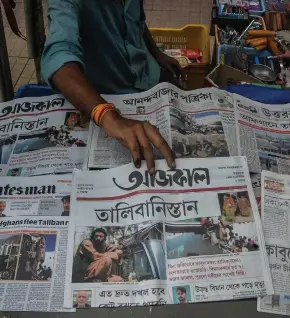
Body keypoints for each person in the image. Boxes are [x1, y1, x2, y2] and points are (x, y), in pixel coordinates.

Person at [41, 0, 180, 174]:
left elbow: (135, 21)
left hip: (149, 75)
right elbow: (58, 58)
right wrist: (105, 114)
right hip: (107, 94)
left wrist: (156, 52)